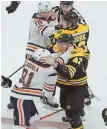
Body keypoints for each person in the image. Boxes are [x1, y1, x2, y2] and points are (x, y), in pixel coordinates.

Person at [42, 34, 86, 129]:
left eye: (64, 44)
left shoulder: (76, 55)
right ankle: (73, 114)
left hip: (76, 88)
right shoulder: (60, 52)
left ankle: (76, 121)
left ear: (70, 44)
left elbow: (68, 74)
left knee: (72, 113)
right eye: (59, 43)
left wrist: (55, 64)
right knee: (64, 105)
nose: (61, 46)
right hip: (65, 86)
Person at [10, 48, 59, 129]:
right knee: (22, 125)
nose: (49, 59)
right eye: (47, 58)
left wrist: (58, 53)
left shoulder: (28, 61)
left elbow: (44, 58)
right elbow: (58, 69)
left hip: (22, 94)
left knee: (33, 117)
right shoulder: (47, 70)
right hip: (20, 97)